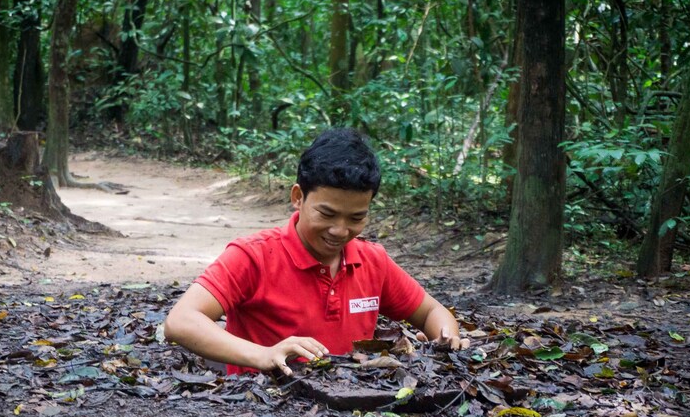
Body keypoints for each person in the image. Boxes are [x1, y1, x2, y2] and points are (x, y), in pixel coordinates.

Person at [165, 128, 468, 376]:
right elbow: (180, 321)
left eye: (356, 218)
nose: (340, 230)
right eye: (327, 213)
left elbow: (431, 312)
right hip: (261, 413)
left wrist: (446, 338)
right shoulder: (253, 256)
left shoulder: (373, 261)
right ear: (298, 197)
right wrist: (265, 355)